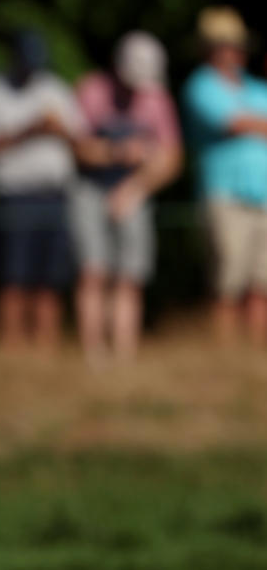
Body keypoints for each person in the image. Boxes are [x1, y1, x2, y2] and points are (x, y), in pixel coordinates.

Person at [71, 32, 182, 362]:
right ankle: (94, 354)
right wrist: (120, 153)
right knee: (93, 271)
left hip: (135, 192)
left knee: (129, 276)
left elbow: (172, 158)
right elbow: (78, 148)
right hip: (89, 190)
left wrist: (135, 188)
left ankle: (124, 355)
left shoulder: (158, 99)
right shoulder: (91, 90)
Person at [0, 30, 84, 350]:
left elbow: (80, 140)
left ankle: (44, 350)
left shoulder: (56, 89)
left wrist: (58, 129)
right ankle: (13, 348)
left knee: (50, 279)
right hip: (15, 196)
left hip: (55, 195)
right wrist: (29, 129)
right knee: (14, 277)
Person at [183, 7, 267, 346]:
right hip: (225, 194)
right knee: (228, 282)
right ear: (209, 49)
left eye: (237, 44)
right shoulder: (200, 86)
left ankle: (254, 357)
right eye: (225, 45)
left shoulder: (256, 87)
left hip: (263, 195)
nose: (234, 51)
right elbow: (235, 123)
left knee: (262, 283)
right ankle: (225, 354)